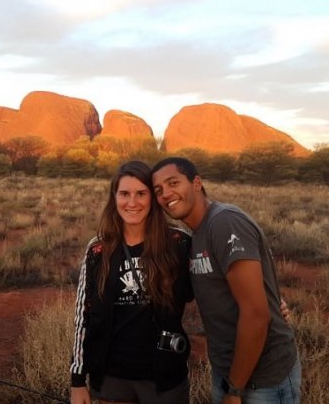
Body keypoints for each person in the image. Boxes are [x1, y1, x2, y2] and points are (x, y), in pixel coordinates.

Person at [152, 157, 301, 404]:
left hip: (262, 379)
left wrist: (235, 390)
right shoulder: (197, 234)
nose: (166, 194)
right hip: (229, 372)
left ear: (196, 183)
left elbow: (255, 314)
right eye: (159, 190)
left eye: (173, 183)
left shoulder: (224, 222)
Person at [70, 160, 193, 404]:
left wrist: (274, 303)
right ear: (114, 198)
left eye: (141, 193)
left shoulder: (178, 242)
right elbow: (83, 315)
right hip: (112, 377)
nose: (132, 202)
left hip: (164, 377)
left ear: (152, 198)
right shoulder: (99, 249)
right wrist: (77, 381)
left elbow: (213, 282)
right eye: (124, 194)